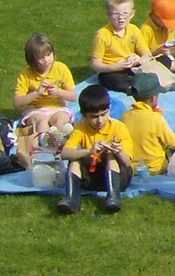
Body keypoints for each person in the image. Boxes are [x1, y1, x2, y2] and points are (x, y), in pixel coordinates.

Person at [55, 84, 135, 215]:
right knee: (75, 160)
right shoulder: (80, 128)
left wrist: (119, 151)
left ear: (109, 109)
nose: (100, 120)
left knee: (110, 154)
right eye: (94, 116)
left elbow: (127, 163)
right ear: (83, 115)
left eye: (104, 114)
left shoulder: (119, 127)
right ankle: (72, 200)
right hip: (92, 177)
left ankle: (113, 198)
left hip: (119, 177)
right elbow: (65, 153)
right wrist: (89, 151)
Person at [12, 33, 76, 147]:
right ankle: (47, 140)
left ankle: (61, 135)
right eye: (41, 57)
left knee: (60, 120)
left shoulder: (61, 68)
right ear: (32, 60)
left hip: (57, 107)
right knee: (41, 122)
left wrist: (58, 92)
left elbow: (73, 96)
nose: (47, 60)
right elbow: (17, 103)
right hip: (36, 109)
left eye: (49, 54)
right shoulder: (26, 74)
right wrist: (36, 93)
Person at [121, 74, 175, 176]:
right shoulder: (155, 119)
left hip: (133, 168)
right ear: (153, 98)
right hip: (155, 168)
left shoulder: (124, 116)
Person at [91, 0, 150, 92]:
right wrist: (114, 67)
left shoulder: (134, 29)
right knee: (111, 80)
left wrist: (138, 59)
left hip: (131, 66)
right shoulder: (102, 35)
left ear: (132, 14)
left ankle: (137, 83)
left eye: (125, 14)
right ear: (108, 15)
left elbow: (147, 54)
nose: (121, 18)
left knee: (154, 65)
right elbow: (95, 64)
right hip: (111, 70)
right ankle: (134, 86)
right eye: (116, 14)